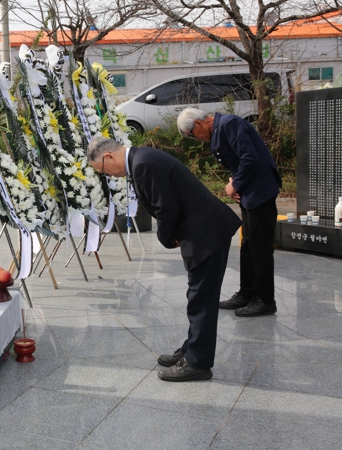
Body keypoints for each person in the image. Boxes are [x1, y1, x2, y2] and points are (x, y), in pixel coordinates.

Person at [87, 137, 241, 382]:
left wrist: (166, 238)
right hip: (202, 229)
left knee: (201, 298)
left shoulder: (143, 164)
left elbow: (166, 208)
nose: (109, 176)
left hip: (206, 231)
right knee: (198, 295)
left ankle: (198, 363)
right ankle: (191, 349)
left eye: (103, 171)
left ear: (108, 156)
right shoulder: (141, 159)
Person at [177, 108, 282, 317]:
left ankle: (265, 300)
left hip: (260, 191)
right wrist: (235, 182)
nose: (196, 139)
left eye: (192, 135)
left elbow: (250, 158)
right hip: (250, 193)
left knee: (260, 247)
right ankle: (247, 293)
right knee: (248, 245)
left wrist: (236, 185)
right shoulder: (219, 129)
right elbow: (239, 161)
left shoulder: (229, 124)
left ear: (198, 123)